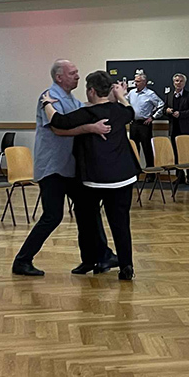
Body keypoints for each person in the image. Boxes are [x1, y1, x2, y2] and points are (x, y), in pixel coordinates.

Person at [12, 59, 115, 277]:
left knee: (87, 209)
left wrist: (112, 98)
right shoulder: (49, 97)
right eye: (72, 73)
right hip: (52, 168)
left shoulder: (71, 99)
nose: (78, 76)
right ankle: (22, 261)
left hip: (69, 167)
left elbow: (85, 112)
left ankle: (96, 257)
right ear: (59, 77)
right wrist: (89, 128)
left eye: (77, 72)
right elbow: (58, 128)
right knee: (53, 215)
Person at [45, 73, 140, 281]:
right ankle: (126, 266)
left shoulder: (87, 114)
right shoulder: (119, 112)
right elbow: (131, 112)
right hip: (123, 176)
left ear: (91, 91)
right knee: (121, 223)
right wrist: (121, 96)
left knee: (87, 219)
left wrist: (46, 103)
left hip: (95, 179)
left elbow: (59, 121)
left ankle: (92, 258)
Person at [163, 72, 189, 185]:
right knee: (176, 153)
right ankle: (180, 176)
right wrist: (167, 111)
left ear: (184, 83)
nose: (178, 83)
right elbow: (164, 110)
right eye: (176, 81)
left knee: (188, 153)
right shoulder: (169, 95)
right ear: (173, 82)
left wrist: (181, 114)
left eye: (181, 81)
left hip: (187, 129)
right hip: (174, 129)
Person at [128, 71, 164, 169]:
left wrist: (153, 117)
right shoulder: (131, 93)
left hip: (144, 124)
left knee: (147, 148)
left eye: (138, 81)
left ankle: (150, 172)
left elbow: (161, 105)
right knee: (134, 148)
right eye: (135, 81)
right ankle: (135, 171)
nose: (135, 83)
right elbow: (125, 104)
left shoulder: (150, 94)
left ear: (144, 82)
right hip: (134, 123)